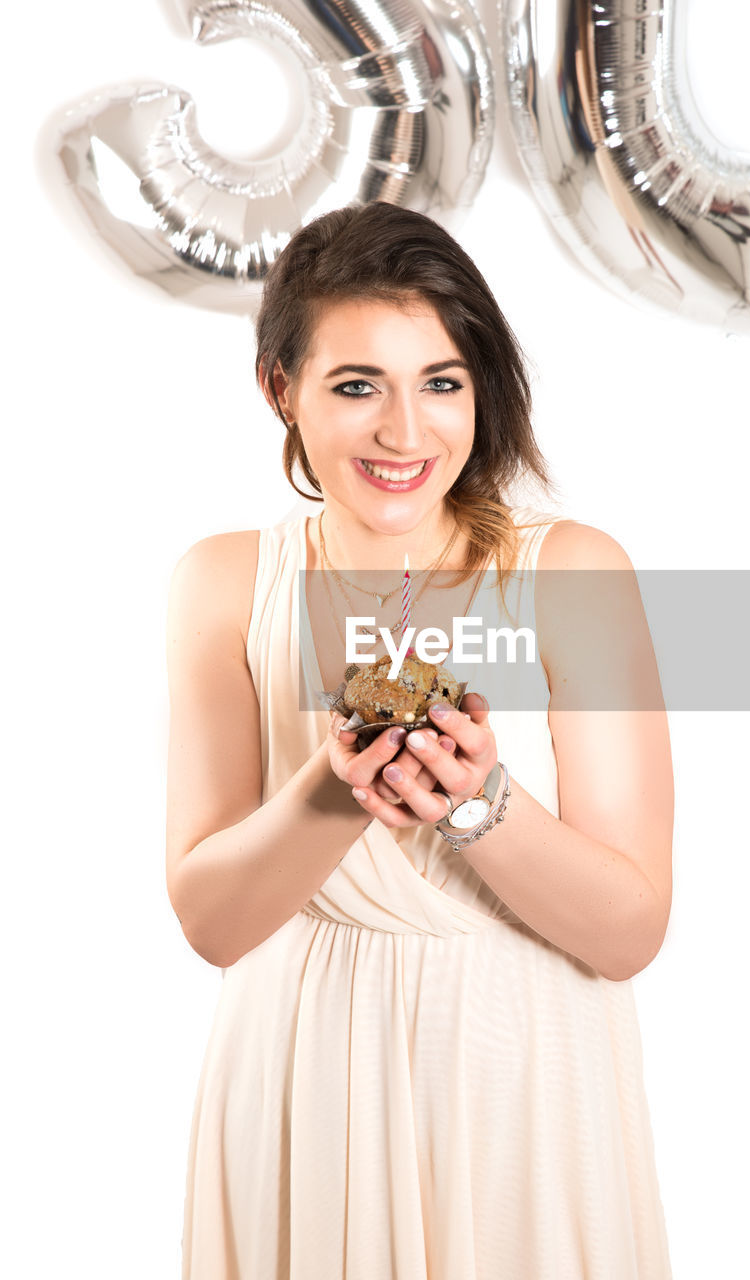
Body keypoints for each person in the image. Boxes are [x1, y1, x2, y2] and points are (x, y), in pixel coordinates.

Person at [166, 202, 674, 1279]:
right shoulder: (221, 581)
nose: (405, 432)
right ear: (280, 389)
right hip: (302, 1071)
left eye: (440, 380)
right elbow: (210, 920)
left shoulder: (570, 571)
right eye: (357, 385)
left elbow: (628, 931)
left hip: (519, 1077)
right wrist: (332, 794)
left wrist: (477, 801)